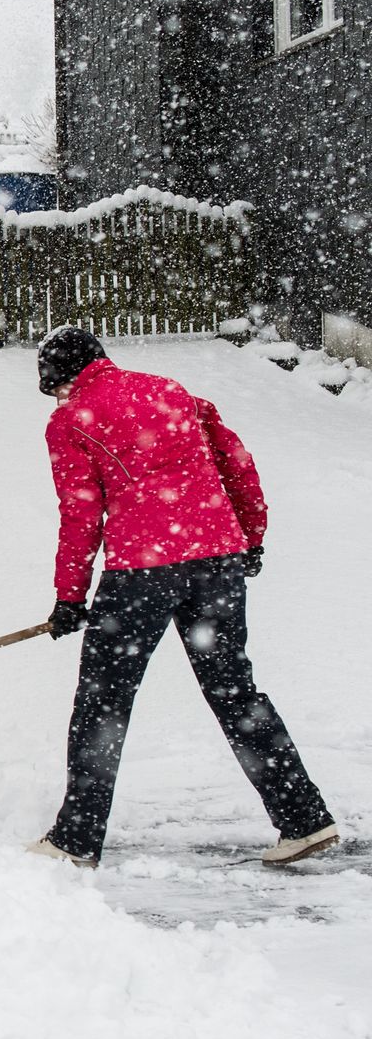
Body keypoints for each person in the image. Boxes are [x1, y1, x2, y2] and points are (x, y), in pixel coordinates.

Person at [26, 326, 340, 869]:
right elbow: (235, 461)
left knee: (104, 702)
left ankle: (76, 840)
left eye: (52, 386)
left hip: (141, 573)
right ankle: (304, 820)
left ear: (66, 376)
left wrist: (69, 597)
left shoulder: (71, 421)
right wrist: (249, 537)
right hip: (215, 560)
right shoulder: (171, 391)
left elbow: (80, 514)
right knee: (236, 692)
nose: (54, 398)